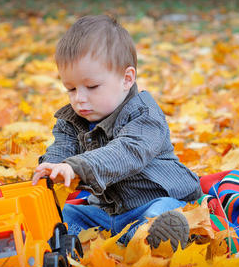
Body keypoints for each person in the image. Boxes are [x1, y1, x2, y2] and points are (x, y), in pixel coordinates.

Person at [32, 15, 202, 250]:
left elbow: (126, 152)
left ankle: (153, 239)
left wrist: (77, 166)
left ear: (126, 78)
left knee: (164, 211)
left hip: (153, 201)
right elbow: (62, 148)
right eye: (70, 89)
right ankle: (78, 246)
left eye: (92, 87)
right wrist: (51, 167)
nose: (79, 99)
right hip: (107, 213)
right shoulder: (72, 120)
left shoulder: (144, 115)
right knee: (69, 213)